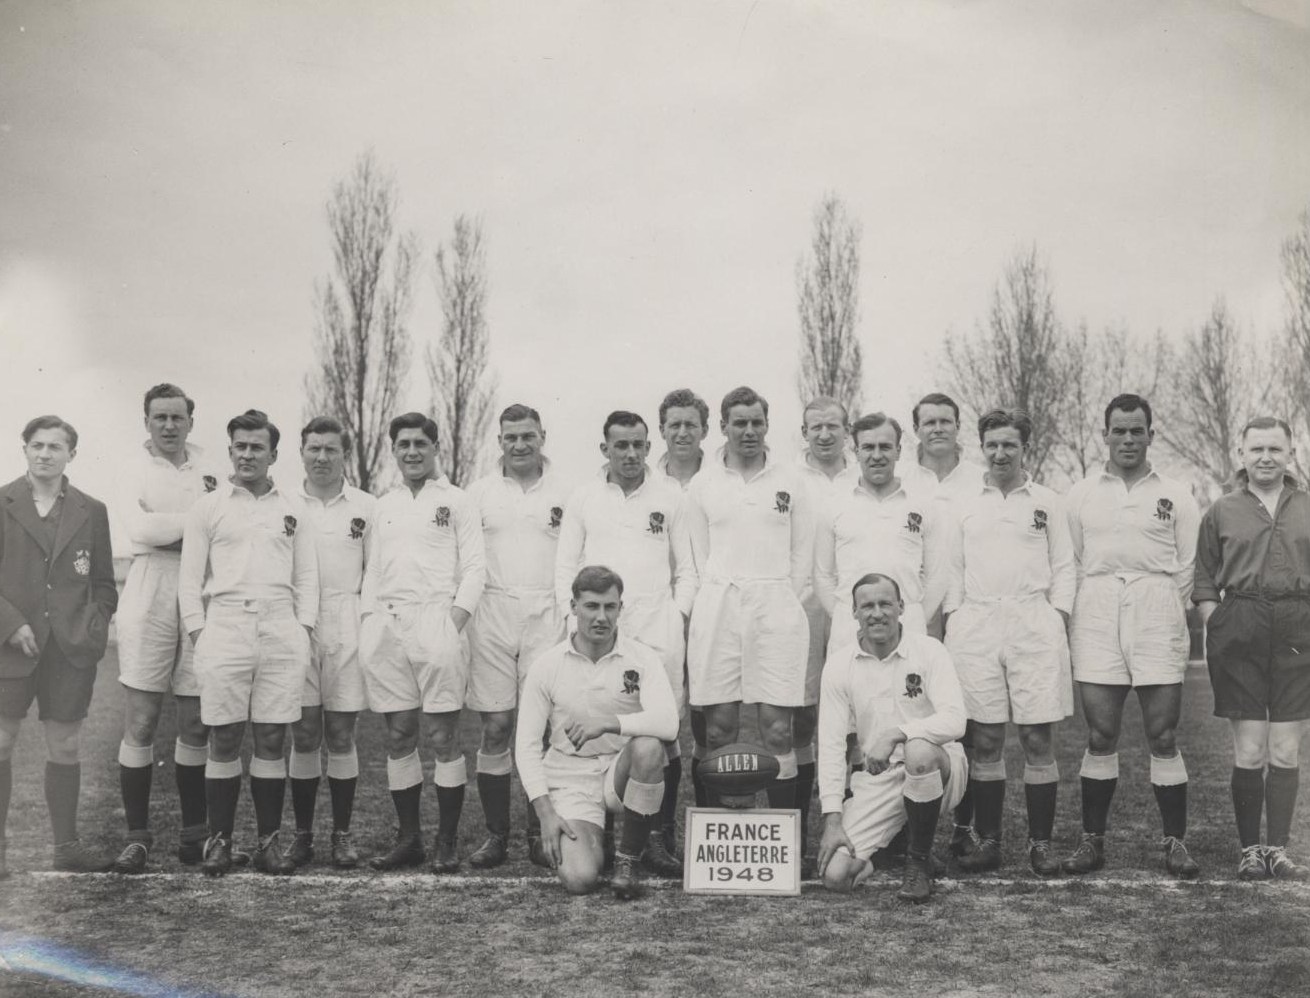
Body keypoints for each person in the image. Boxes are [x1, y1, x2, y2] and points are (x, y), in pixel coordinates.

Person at [1061, 395, 1201, 878]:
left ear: (1150, 436)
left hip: (1157, 608)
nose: (1127, 439)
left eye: (1136, 431)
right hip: (1098, 609)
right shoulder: (1079, 494)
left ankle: (1174, 843)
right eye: (1118, 431)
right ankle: (1091, 842)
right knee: (1101, 733)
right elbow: (1074, 561)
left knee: (1163, 733)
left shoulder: (1178, 494)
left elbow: (1187, 564)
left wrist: (1160, 604)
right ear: (1104, 434)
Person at [178, 409, 318, 876]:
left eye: (257, 447)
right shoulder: (209, 507)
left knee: (272, 738)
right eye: (240, 446)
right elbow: (189, 579)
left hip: (281, 626)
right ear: (230, 450)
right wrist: (201, 633)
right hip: (225, 625)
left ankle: (267, 843)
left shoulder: (294, 508)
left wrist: (304, 629)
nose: (248, 454)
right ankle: (218, 842)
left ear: (274, 454)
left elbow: (307, 577)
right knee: (225, 735)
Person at [555, 410, 696, 875]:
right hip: (600, 627)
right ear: (605, 449)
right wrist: (570, 620)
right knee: (604, 718)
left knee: (662, 733)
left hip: (657, 628)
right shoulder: (583, 498)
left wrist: (675, 616)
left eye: (639, 444)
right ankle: (603, 825)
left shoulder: (671, 495)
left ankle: (656, 835)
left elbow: (688, 567)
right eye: (621, 445)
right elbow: (564, 567)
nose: (631, 454)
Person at [942, 408, 1074, 876]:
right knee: (986, 738)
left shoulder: (1048, 502)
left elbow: (1064, 567)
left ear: (1025, 448)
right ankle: (990, 841)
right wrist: (957, 615)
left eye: (1010, 445)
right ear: (982, 446)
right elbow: (950, 570)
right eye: (992, 444)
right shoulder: (963, 503)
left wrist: (1055, 616)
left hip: (1032, 621)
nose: (1000, 453)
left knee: (1038, 736)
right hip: (976, 623)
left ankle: (1041, 845)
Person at [361, 412, 486, 873]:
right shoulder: (383, 504)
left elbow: (474, 568)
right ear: (393, 450)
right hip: (389, 623)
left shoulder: (457, 501)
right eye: (403, 445)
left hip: (438, 619)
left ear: (436, 448)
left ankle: (446, 841)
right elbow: (373, 568)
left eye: (420, 443)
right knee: (398, 734)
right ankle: (409, 838)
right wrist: (369, 619)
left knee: (443, 735)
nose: (412, 452)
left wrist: (453, 624)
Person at [516, 565, 678, 900]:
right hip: (570, 775)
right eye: (591, 606)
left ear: (621, 608)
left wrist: (608, 722)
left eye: (609, 606)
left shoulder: (642, 657)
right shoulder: (547, 665)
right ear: (573, 607)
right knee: (580, 878)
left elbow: (669, 724)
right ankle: (595, 837)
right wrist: (545, 814)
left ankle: (628, 859)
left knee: (649, 746)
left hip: (619, 770)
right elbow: (526, 747)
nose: (601, 617)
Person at [112, 384, 222, 874]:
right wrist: (196, 522)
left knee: (196, 719)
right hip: (150, 583)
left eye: (178, 417)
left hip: (200, 586)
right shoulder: (130, 468)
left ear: (190, 422)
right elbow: (140, 531)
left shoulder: (212, 471)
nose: (169, 426)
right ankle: (137, 837)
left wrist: (172, 523)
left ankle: (193, 836)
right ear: (146, 421)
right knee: (141, 720)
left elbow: (223, 525)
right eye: (160, 417)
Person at [0, 415, 118, 875]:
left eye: (55, 446)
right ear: (25, 449)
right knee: (1, 742)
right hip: (10, 647)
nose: (45, 453)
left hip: (69, 651)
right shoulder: (3, 503)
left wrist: (92, 625)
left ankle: (66, 846)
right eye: (37, 445)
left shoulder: (93, 510)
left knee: (65, 745)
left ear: (72, 454)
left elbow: (105, 584)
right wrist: (9, 624)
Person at [685, 386, 812, 811]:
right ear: (723, 427)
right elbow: (700, 557)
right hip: (720, 604)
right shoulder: (702, 485)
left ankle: (786, 839)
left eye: (757, 422)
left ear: (767, 425)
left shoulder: (792, 481)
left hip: (776, 605)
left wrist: (774, 597)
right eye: (740, 423)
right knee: (718, 730)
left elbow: (803, 554)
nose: (749, 430)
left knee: (778, 731)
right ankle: (720, 828)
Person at [1195, 416, 1310, 881]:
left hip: (1297, 631)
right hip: (1240, 624)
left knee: (1284, 750)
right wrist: (1217, 622)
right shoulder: (1222, 509)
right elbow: (1203, 577)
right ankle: (1250, 850)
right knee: (1249, 749)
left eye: (1275, 450)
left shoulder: (1307, 505)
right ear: (1241, 455)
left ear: (1289, 455)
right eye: (1257, 449)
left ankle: (1277, 849)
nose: (1266, 457)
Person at [816, 574, 967, 902]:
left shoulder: (929, 651)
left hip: (938, 766)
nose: (877, 613)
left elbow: (956, 720)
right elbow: (830, 744)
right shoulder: (840, 665)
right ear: (854, 613)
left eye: (885, 603)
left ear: (901, 608)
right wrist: (832, 819)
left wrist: (897, 734)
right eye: (867, 606)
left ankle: (918, 862)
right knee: (836, 877)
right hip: (880, 777)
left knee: (917, 751)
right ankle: (881, 851)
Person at [464, 404, 569, 869]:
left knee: (541, 727)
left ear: (542, 436)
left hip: (546, 613)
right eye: (511, 437)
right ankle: (496, 835)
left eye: (528, 435)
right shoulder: (478, 493)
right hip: (492, 611)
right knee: (496, 727)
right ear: (499, 440)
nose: (520, 444)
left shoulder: (568, 490)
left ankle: (535, 829)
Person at [285, 416, 375, 869]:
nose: (322, 457)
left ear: (345, 455)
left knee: (340, 733)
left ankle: (341, 833)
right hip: (297, 621)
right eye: (314, 449)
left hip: (347, 620)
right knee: (303, 732)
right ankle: (302, 835)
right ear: (301, 453)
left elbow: (375, 572)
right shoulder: (283, 504)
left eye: (331, 450)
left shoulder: (365, 506)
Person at [901, 392, 987, 857]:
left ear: (959, 427)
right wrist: (919, 612)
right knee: (909, 711)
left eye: (946, 421)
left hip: (969, 613)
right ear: (916, 428)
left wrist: (949, 613)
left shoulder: (977, 480)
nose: (937, 428)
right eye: (928, 421)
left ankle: (965, 824)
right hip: (912, 614)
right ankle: (905, 823)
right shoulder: (901, 478)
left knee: (964, 718)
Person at [792, 396, 858, 870]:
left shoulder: (864, 475)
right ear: (804, 432)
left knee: (858, 714)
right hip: (801, 609)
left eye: (833, 426)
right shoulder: (789, 479)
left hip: (855, 613)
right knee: (800, 713)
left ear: (846, 430)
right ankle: (795, 825)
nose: (825, 435)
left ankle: (854, 818)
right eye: (816, 427)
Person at [655, 388, 712, 811]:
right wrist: (675, 614)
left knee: (708, 721)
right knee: (663, 719)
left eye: (690, 424)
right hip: (663, 614)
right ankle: (662, 827)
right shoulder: (648, 481)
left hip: (714, 611)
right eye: (674, 424)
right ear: (661, 430)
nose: (682, 431)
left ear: (706, 430)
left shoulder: (720, 479)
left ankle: (708, 820)